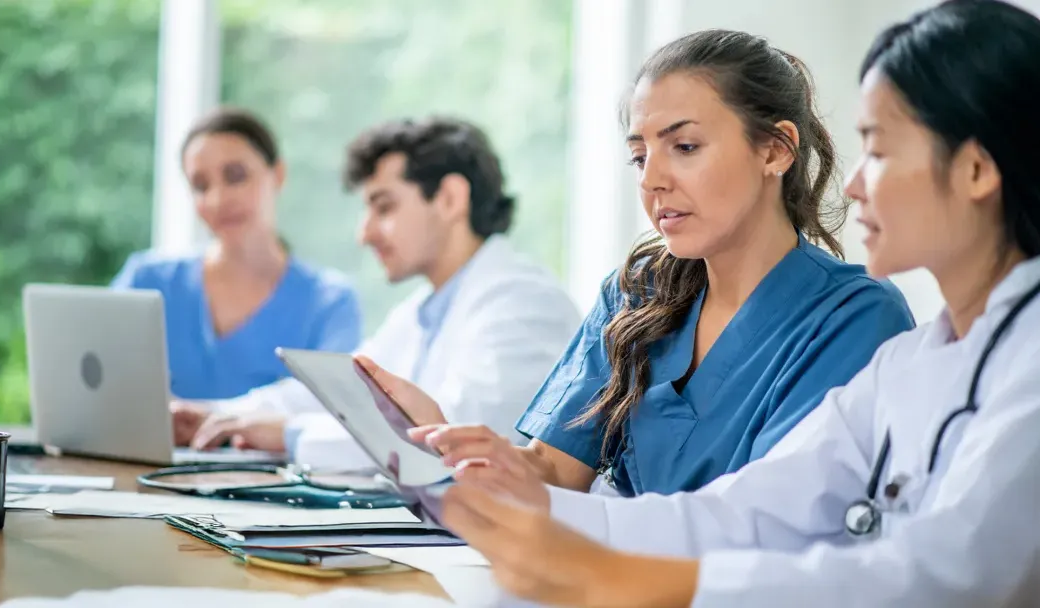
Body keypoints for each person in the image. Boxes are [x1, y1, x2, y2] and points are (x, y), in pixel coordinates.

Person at [426, 1, 1040, 606]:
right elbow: (745, 510)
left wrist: (639, 580)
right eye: (639, 156)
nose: (854, 185)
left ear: (978, 170)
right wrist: (538, 508)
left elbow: (954, 577)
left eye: (878, 152)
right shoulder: (911, 363)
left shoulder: (907, 331)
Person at [364, 30, 916, 499]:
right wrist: (444, 441)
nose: (652, 179)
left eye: (685, 147)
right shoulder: (635, 295)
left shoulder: (855, 318)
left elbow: (767, 523)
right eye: (638, 155)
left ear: (774, 149)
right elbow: (553, 474)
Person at [176, 117, 582, 468]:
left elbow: (454, 435)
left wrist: (289, 434)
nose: (364, 233)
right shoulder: (419, 312)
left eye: (383, 207)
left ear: (450, 199)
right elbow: (337, 392)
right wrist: (215, 414)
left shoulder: (522, 301)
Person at [112, 108, 362, 402]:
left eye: (235, 176)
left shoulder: (329, 304)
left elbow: (328, 412)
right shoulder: (147, 281)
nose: (218, 199)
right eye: (201, 186)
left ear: (278, 175)